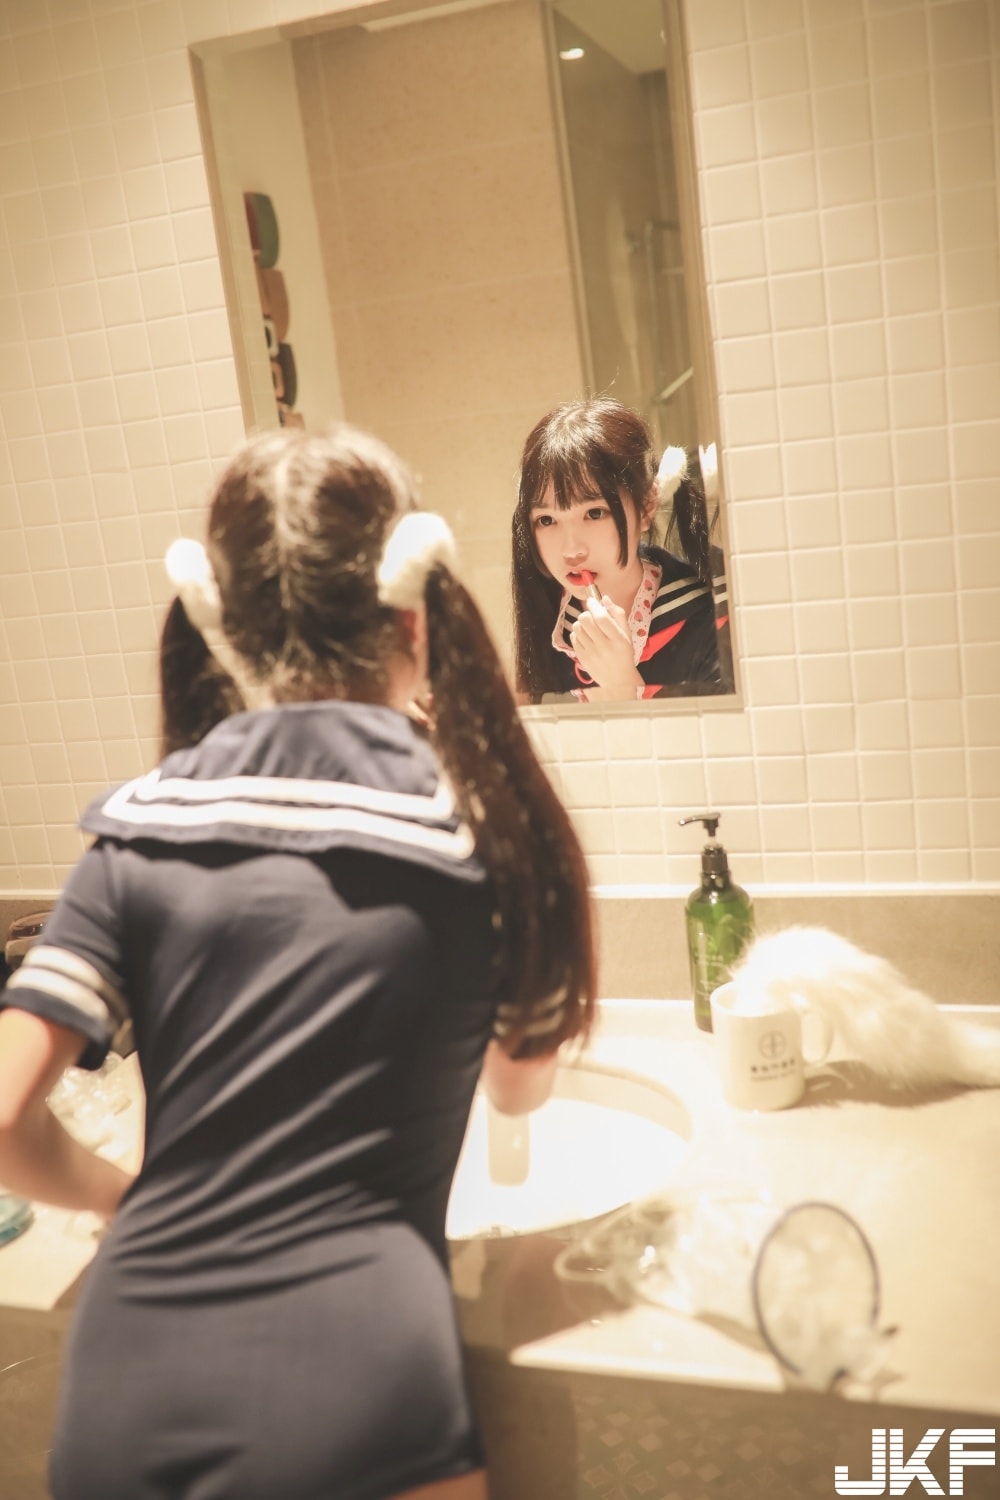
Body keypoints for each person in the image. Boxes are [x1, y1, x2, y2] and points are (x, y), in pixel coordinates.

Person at [0, 425, 597, 1500]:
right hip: (365, 1381)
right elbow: (517, 1091)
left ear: (217, 623)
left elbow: (2, 1119)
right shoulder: (477, 837)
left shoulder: (139, 831)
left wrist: (125, 1195)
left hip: (125, 1387)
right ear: (414, 615)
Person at [511, 398, 731, 704]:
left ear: (646, 507)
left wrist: (622, 684)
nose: (571, 550)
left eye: (595, 513)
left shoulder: (711, 619)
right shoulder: (544, 612)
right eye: (547, 520)